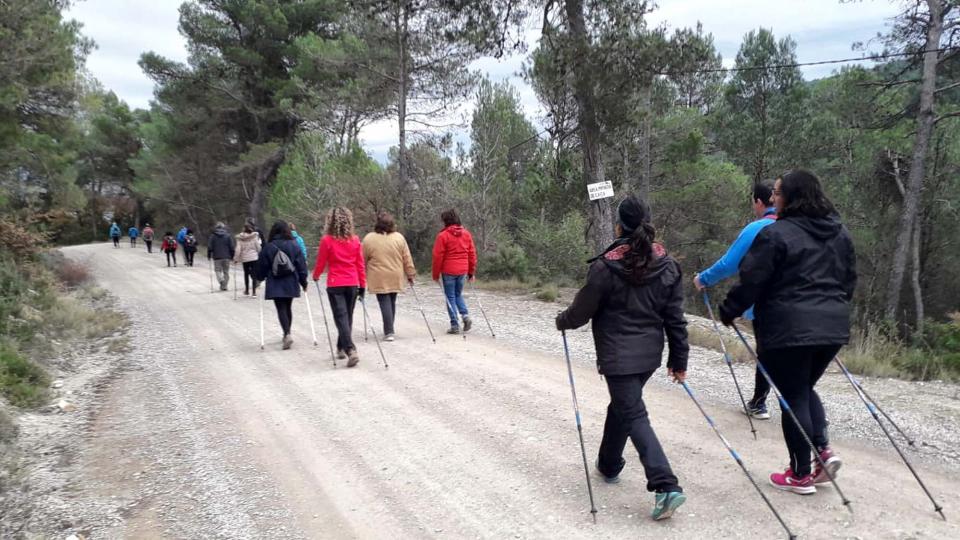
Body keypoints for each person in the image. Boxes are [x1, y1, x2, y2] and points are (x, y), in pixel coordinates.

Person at [719, 170, 856, 495]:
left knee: (793, 396)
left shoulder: (777, 234)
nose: (774, 198)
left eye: (778, 193)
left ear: (792, 197)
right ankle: (822, 452)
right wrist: (832, 311)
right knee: (803, 388)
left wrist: (730, 309)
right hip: (833, 326)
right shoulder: (840, 233)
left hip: (788, 326)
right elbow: (849, 280)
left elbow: (753, 279)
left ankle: (800, 474)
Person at [556, 195, 689, 521]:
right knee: (624, 407)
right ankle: (609, 464)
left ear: (620, 225)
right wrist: (678, 359)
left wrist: (562, 320)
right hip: (648, 357)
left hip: (617, 357)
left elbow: (582, 311)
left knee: (632, 412)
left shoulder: (606, 266)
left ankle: (665, 484)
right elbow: (676, 319)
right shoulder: (668, 265)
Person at [694, 180, 778, 420]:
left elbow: (729, 264)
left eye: (754, 202)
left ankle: (760, 403)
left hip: (768, 302)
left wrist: (703, 279)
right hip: (804, 300)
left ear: (759, 202)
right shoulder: (797, 226)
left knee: (767, 350)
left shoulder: (757, 228)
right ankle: (809, 406)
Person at [312, 207, 366, 367]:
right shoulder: (355, 240)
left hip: (335, 283)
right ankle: (340, 347)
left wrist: (315, 275)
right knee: (347, 316)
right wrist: (362, 285)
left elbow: (321, 262)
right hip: (352, 283)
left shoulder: (326, 240)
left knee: (341, 317)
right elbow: (360, 265)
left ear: (330, 222)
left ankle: (350, 349)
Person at [363, 212, 416, 341]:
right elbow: (407, 257)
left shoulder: (369, 238)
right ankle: (390, 328)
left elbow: (362, 258)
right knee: (391, 300)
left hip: (378, 275)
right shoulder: (399, 238)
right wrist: (410, 273)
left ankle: (389, 331)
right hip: (395, 274)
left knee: (384, 301)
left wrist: (361, 275)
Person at [256, 220, 308, 350]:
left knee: (281, 308)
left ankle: (286, 333)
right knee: (288, 306)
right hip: (291, 280)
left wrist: (259, 278)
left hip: (275, 281)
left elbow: (262, 266)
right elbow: (301, 265)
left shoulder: (269, 246)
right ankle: (287, 333)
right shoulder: (294, 245)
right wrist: (304, 281)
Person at [431, 209, 477, 335]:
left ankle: (454, 325)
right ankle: (465, 316)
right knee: (458, 294)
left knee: (450, 296)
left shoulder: (443, 236)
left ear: (445, 221)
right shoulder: (466, 234)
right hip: (463, 269)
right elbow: (472, 254)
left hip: (448, 270)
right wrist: (471, 272)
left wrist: (435, 274)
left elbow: (437, 256)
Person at [234, 223, 262, 296]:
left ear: (243, 229)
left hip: (245, 259)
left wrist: (236, 259)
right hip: (254, 258)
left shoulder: (240, 238)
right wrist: (259, 253)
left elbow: (238, 249)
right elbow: (258, 247)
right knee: (254, 274)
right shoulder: (254, 237)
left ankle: (246, 290)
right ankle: (254, 292)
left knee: (246, 274)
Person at [207, 222, 235, 291]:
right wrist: (232, 256)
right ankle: (224, 286)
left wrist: (209, 255)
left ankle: (222, 281)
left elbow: (210, 247)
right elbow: (232, 247)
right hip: (226, 256)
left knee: (217, 270)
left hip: (217, 257)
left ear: (216, 228)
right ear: (223, 228)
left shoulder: (212, 236)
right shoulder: (228, 236)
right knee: (226, 272)